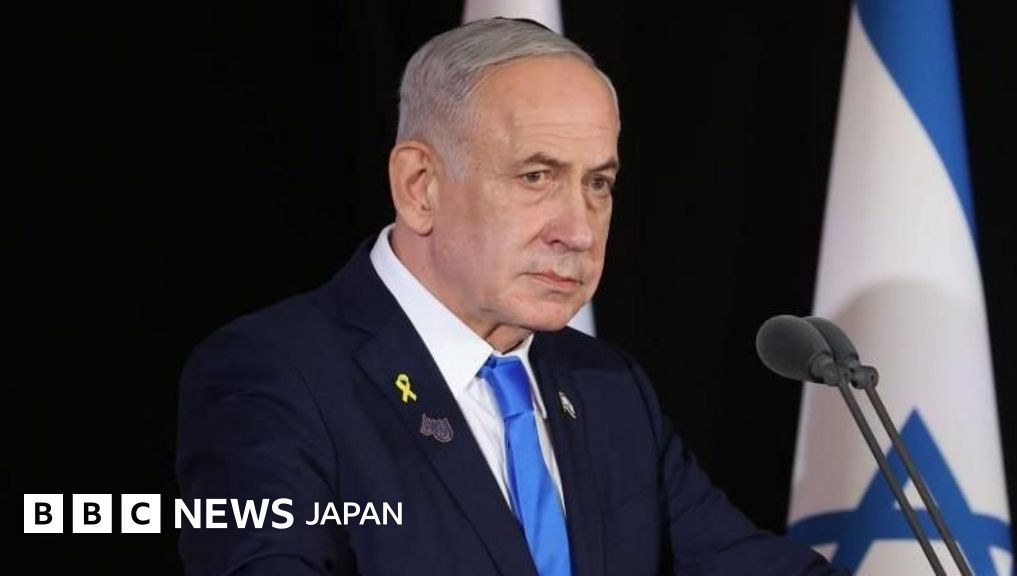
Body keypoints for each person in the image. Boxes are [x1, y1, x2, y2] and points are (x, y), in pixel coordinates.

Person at [177, 17, 843, 576]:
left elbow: (737, 562)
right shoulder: (273, 376)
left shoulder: (607, 386)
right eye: (536, 176)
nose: (578, 230)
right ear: (420, 186)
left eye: (598, 184)